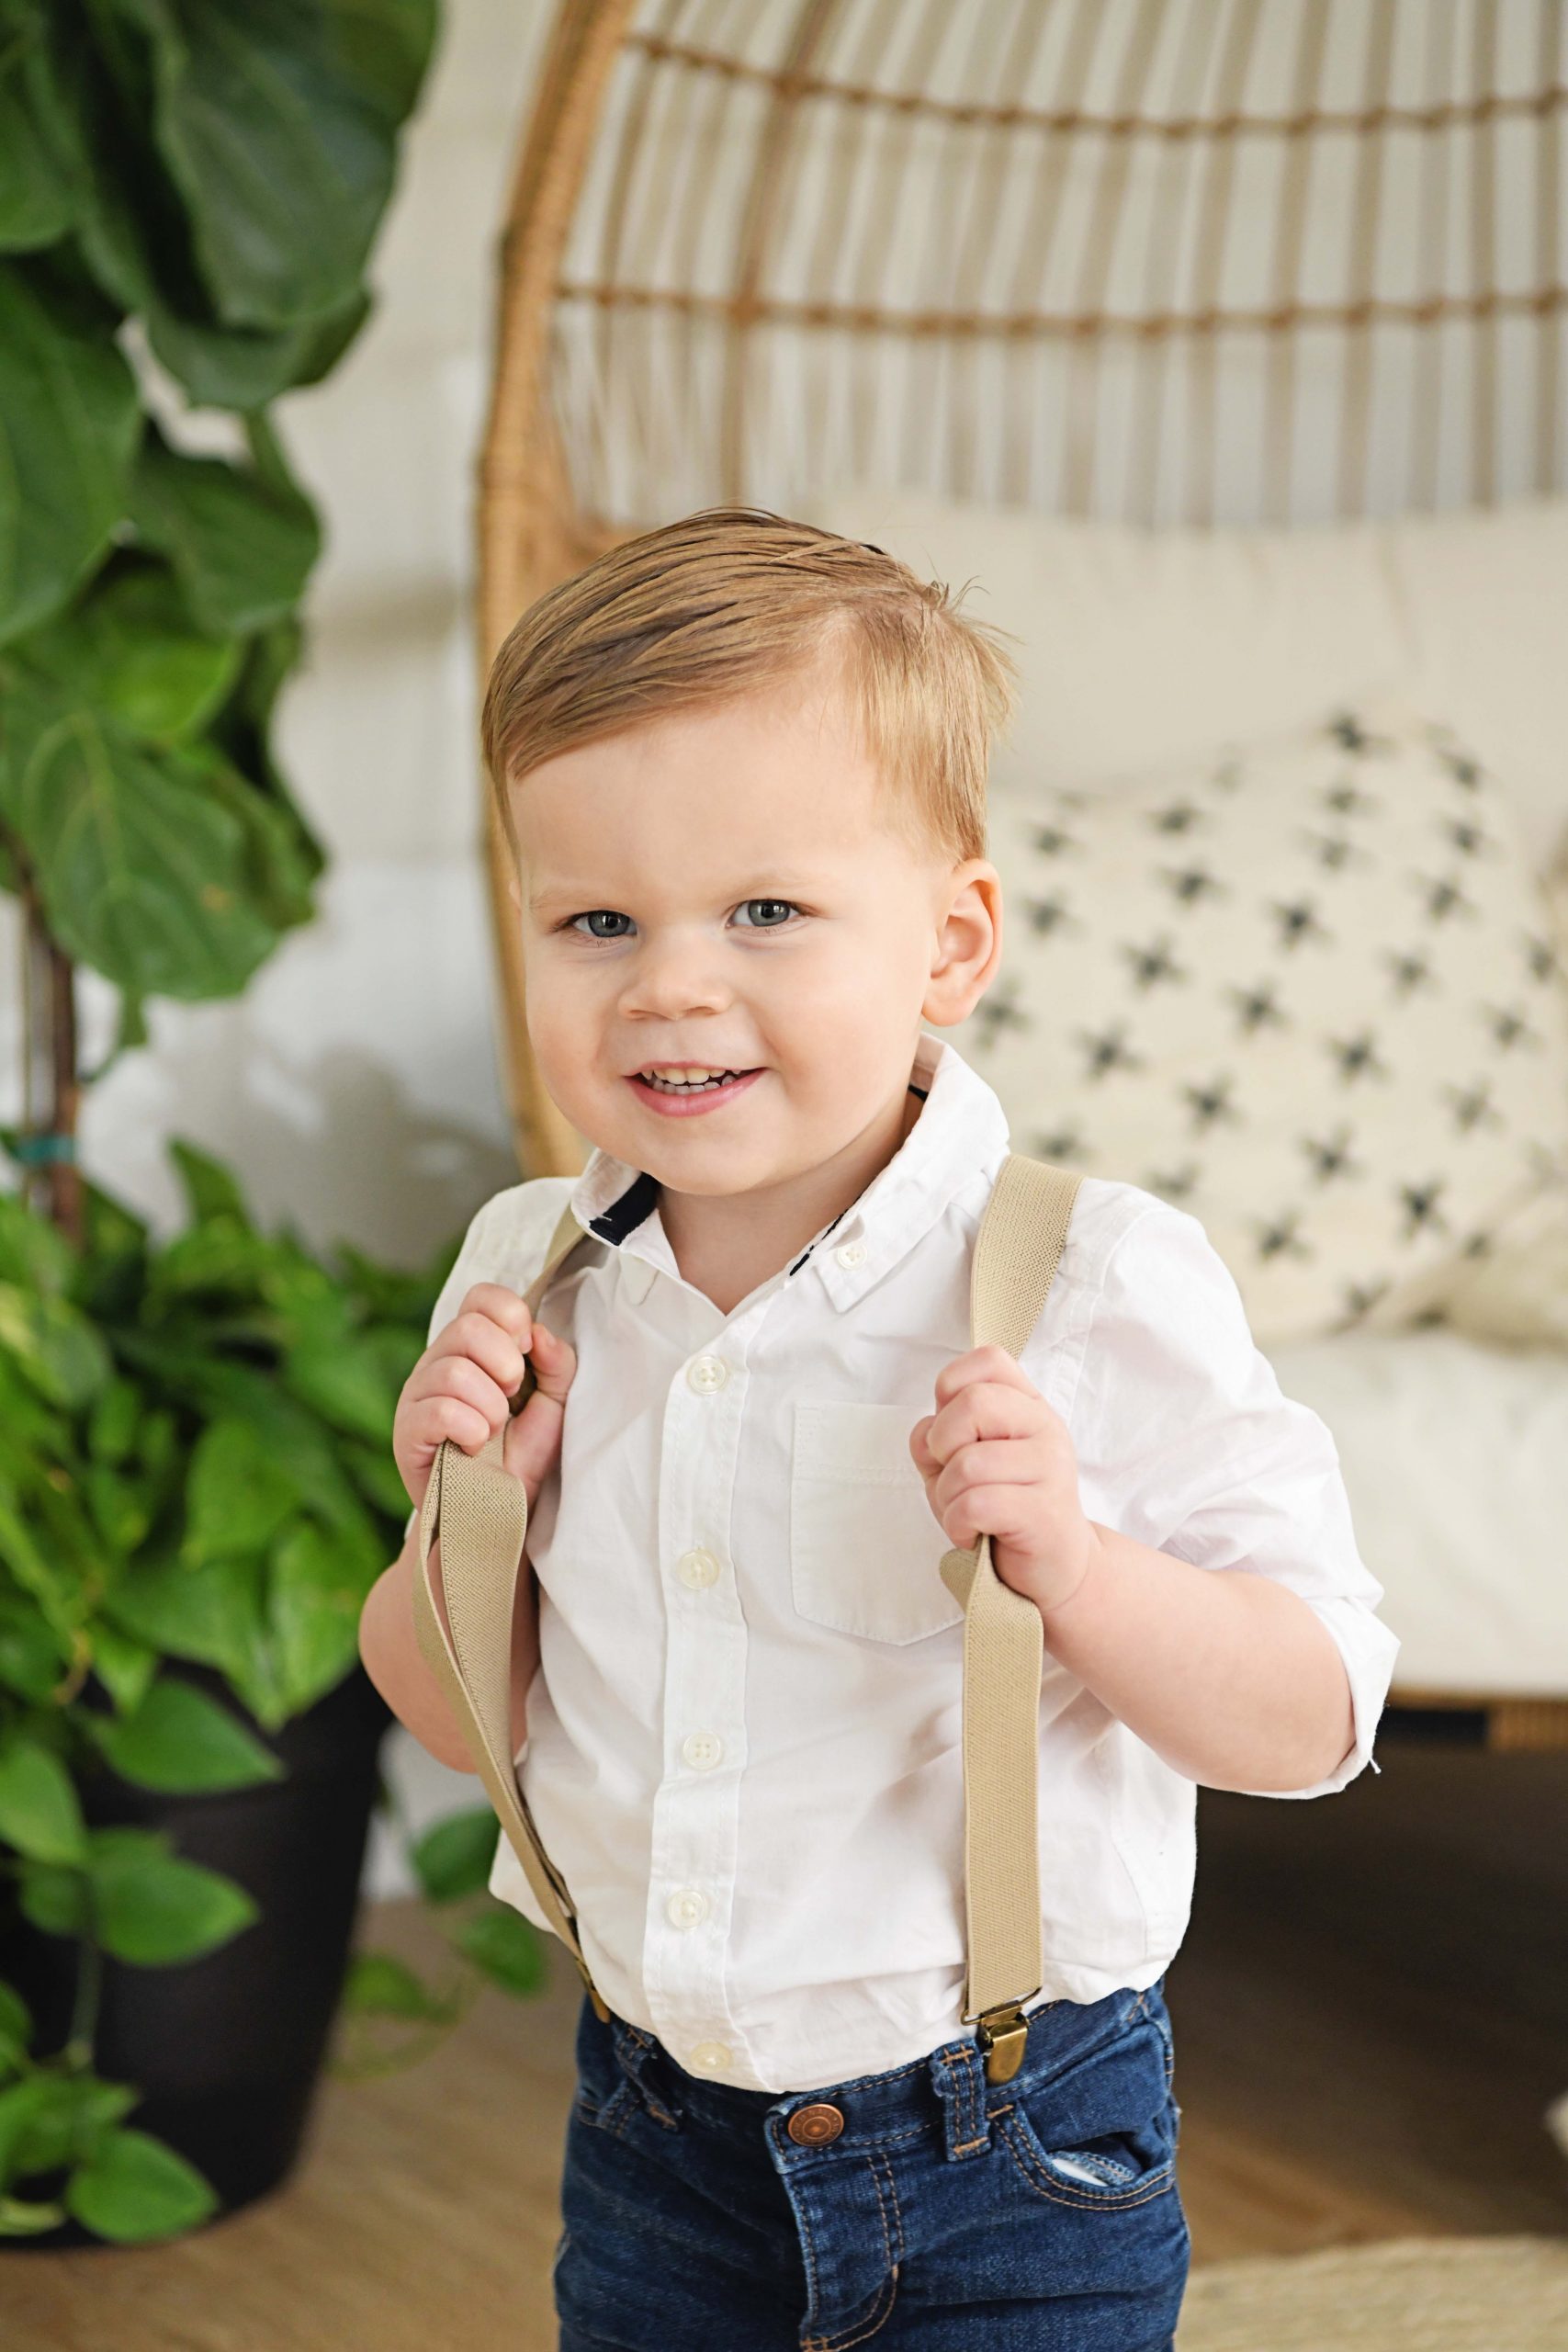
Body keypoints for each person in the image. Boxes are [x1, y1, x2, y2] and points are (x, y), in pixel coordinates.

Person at [359, 507, 1401, 2348]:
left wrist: (1075, 1570)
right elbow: (454, 1712)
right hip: (655, 2135)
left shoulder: (1087, 1280)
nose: (670, 981)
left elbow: (1312, 1713)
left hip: (1009, 2146)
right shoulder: (527, 1280)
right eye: (596, 919)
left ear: (948, 938)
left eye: (764, 909)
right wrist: (457, 1525)